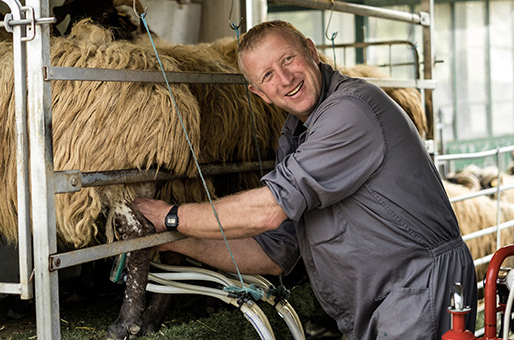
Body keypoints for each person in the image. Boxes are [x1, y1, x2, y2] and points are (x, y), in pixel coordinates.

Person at [135, 20, 477, 339]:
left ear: (312, 53)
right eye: (268, 75)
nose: (285, 79)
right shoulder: (297, 136)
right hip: (383, 302)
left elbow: (268, 210)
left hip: (417, 290)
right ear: (259, 94)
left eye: (288, 59)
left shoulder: (350, 110)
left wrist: (171, 215)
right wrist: (174, 240)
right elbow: (271, 253)